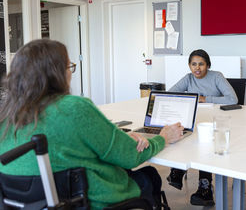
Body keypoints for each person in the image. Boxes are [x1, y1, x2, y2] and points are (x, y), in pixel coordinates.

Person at [0, 39, 184, 210]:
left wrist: (117, 138)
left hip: (28, 203)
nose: (70, 73)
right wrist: (162, 138)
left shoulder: (7, 114)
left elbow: (63, 147)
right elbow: (129, 157)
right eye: (69, 67)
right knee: (149, 176)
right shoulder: (73, 108)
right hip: (86, 201)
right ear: (57, 74)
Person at [166, 49, 238, 206]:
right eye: (193, 64)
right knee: (181, 132)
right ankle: (178, 169)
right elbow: (170, 93)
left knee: (204, 145)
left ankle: (205, 188)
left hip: (215, 120)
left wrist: (205, 99)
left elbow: (233, 98)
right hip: (196, 118)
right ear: (189, 66)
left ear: (208, 65)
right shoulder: (189, 78)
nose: (197, 68)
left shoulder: (216, 76)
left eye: (201, 64)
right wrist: (188, 101)